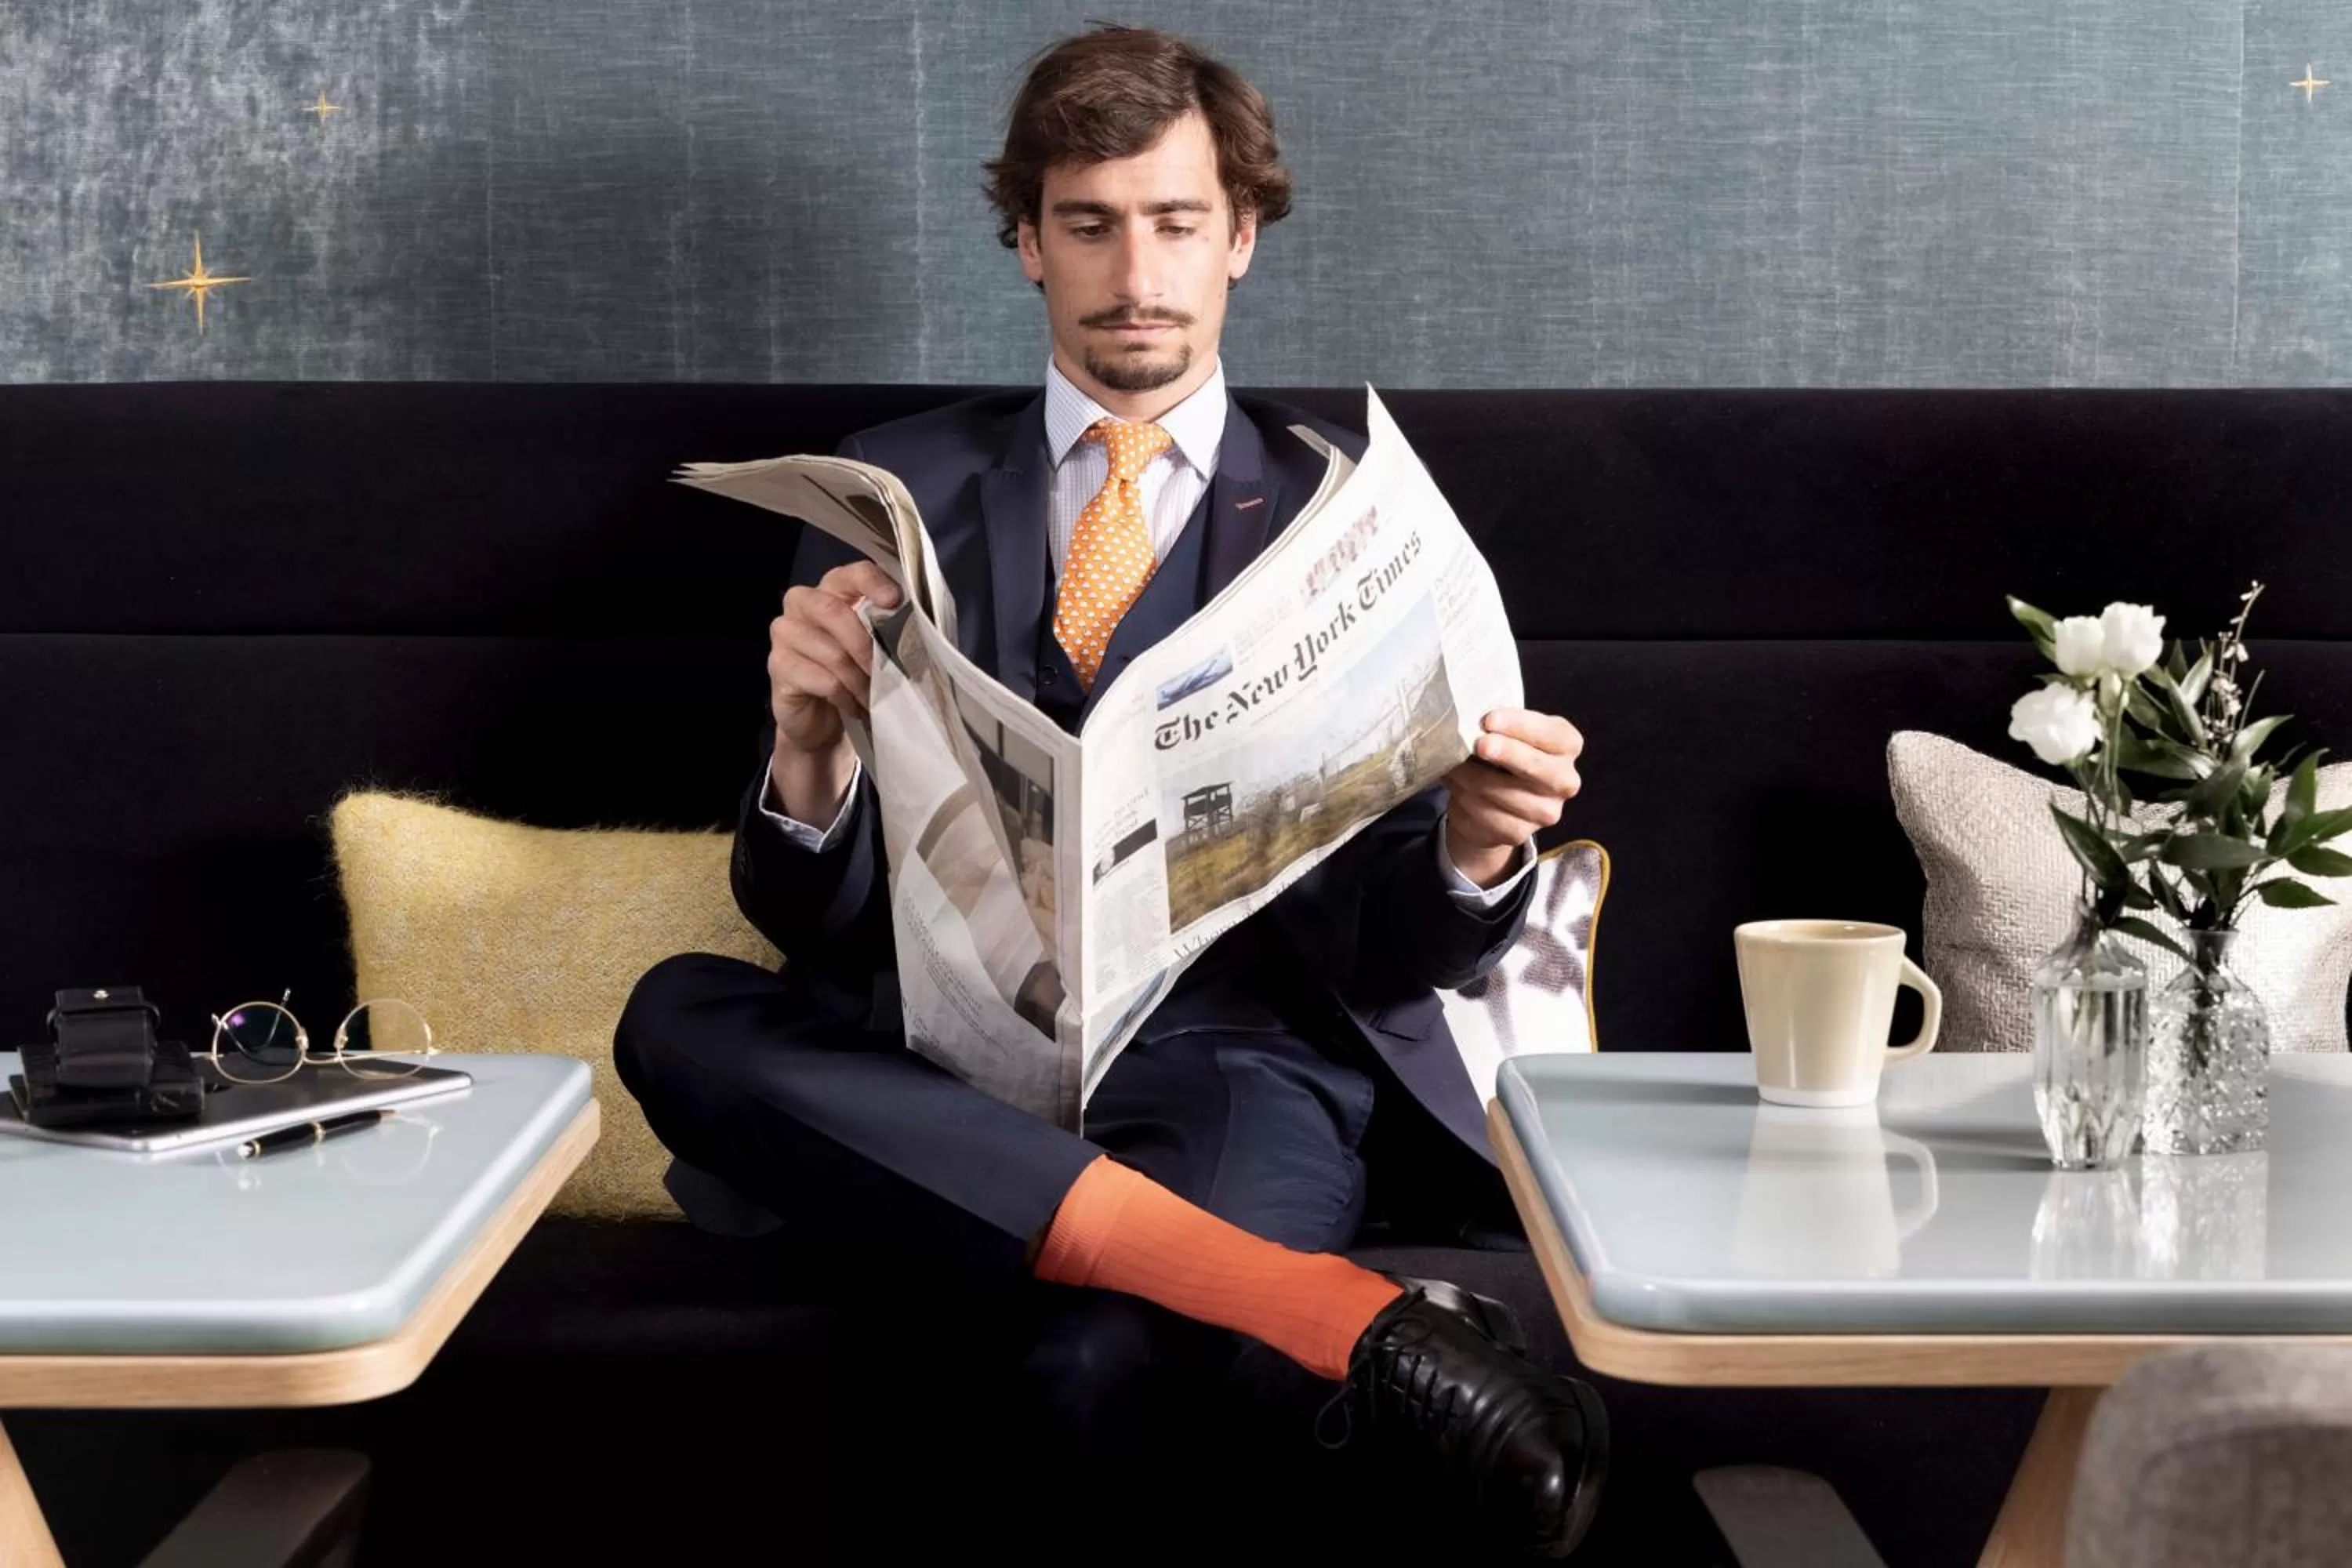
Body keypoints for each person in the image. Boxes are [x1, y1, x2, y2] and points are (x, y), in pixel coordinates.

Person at [615, 24, 1603, 1559]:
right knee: (673, 1009)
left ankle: (1157, 1265)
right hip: (935, 1057)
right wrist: (806, 755)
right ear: (1027, 242)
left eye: (1175, 222)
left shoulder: (1357, 517)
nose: (1134, 270)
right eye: (1088, 223)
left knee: (1096, 1358)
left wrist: (1475, 845)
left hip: (1233, 1065)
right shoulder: (888, 487)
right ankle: (1326, 1313)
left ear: (1242, 239)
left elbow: (1393, 942)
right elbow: (806, 911)